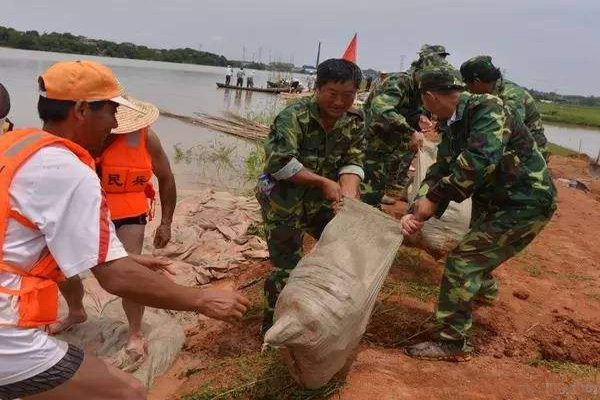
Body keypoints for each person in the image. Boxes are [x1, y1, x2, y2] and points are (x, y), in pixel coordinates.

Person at [0, 60, 249, 400]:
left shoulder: (15, 146)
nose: (116, 122)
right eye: (112, 110)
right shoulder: (68, 169)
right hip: (7, 337)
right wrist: (201, 299)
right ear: (83, 110)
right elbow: (115, 279)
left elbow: (26, 235)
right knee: (127, 392)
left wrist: (125, 257)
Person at [401, 67, 555, 362]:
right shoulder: (453, 123)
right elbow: (441, 168)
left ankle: (453, 341)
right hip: (496, 200)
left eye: (425, 103)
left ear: (431, 97)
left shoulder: (487, 107)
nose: (426, 111)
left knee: (463, 261)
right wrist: (417, 209)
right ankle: (482, 293)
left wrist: (434, 200)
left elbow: (480, 160)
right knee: (475, 252)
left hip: (524, 203)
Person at [52, 94, 177, 363]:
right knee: (59, 268)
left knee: (130, 274)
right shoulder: (78, 135)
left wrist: (165, 223)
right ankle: (76, 311)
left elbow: (166, 177)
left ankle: (135, 331)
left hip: (128, 212)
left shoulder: (145, 137)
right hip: (85, 210)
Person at [258, 58, 365, 333]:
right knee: (286, 268)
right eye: (333, 94)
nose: (340, 102)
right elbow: (280, 163)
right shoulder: (293, 117)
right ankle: (273, 326)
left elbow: (352, 162)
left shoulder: (353, 121)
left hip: (321, 203)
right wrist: (323, 183)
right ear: (317, 88)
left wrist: (349, 196)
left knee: (345, 249)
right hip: (284, 202)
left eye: (348, 95)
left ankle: (324, 314)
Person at [360, 54, 453, 206]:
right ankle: (367, 205)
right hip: (374, 136)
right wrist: (410, 131)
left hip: (389, 138)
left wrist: (419, 117)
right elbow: (382, 108)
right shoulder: (399, 82)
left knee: (382, 172)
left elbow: (408, 110)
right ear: (419, 72)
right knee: (373, 172)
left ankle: (375, 197)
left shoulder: (418, 87)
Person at [460, 55, 549, 159]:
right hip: (510, 143)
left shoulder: (511, 95)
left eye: (468, 85)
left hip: (530, 150)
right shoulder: (489, 92)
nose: (468, 90)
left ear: (476, 82)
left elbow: (509, 129)